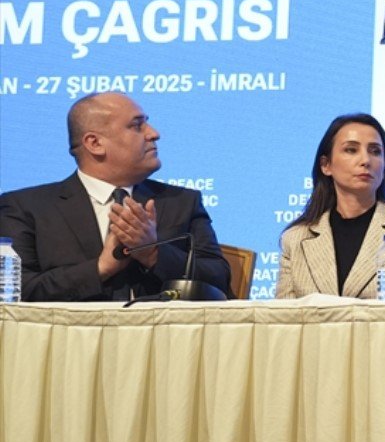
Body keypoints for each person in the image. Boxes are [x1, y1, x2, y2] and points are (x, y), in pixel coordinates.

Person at [0, 92, 230, 301]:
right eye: (137, 126)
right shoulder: (25, 208)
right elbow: (16, 293)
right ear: (95, 143)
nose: (154, 134)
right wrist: (100, 268)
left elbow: (219, 279)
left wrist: (153, 253)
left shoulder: (181, 202)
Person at [274, 114, 385, 298]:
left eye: (375, 151)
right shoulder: (296, 239)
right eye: (351, 150)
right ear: (326, 165)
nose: (366, 160)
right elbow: (283, 321)